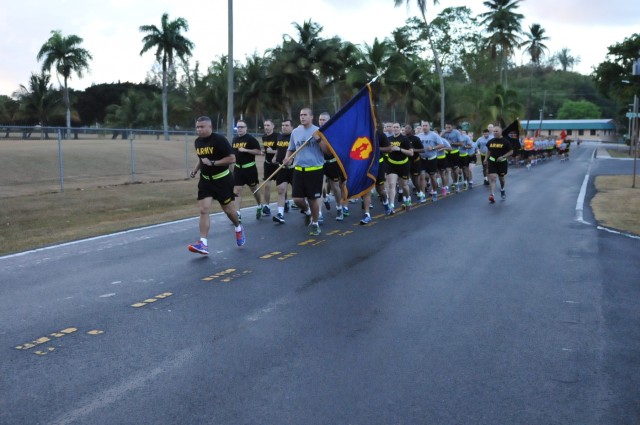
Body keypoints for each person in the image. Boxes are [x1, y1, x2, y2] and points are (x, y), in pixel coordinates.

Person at [187, 116, 245, 255]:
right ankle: (203, 243)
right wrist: (196, 169)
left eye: (201, 127)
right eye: (197, 127)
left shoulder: (219, 140)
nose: (198, 130)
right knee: (203, 209)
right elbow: (202, 159)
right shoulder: (198, 142)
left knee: (229, 211)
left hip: (222, 180)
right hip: (206, 181)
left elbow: (232, 159)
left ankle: (238, 228)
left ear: (210, 127)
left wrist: (213, 163)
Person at [283, 108, 328, 236]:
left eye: (305, 115)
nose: (302, 117)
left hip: (314, 170)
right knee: (297, 199)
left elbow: (327, 152)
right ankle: (307, 211)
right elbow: (291, 149)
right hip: (298, 169)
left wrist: (318, 139)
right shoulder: (295, 132)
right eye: (301, 115)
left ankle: (315, 223)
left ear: (311, 117)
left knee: (313, 199)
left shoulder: (319, 131)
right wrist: (287, 158)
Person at [232, 120, 263, 221]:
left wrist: (246, 150)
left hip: (250, 169)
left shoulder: (250, 139)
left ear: (246, 128)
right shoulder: (235, 139)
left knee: (254, 189)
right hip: (238, 169)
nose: (239, 129)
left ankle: (259, 205)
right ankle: (237, 214)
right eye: (238, 127)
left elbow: (259, 152)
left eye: (242, 127)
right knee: (237, 190)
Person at [360, 127, 393, 224]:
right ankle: (367, 214)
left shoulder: (380, 134)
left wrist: (376, 149)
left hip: (378, 165)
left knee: (380, 189)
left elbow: (389, 148)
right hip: (366, 166)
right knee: (367, 190)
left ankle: (386, 203)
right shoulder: (360, 133)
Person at [318, 112, 346, 221]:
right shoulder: (316, 132)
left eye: (324, 120)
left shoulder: (334, 132)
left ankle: (339, 208)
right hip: (320, 163)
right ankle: (319, 213)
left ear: (329, 121)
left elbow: (331, 152)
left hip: (332, 163)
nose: (321, 121)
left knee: (335, 187)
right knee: (319, 187)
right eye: (320, 119)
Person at [386, 122, 414, 212]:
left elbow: (411, 153)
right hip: (392, 164)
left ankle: (408, 200)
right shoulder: (388, 139)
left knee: (404, 185)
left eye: (397, 127)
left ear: (400, 128)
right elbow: (385, 150)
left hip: (403, 164)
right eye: (394, 127)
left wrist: (400, 149)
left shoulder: (405, 139)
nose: (395, 129)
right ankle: (391, 205)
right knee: (391, 185)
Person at [271, 119, 294, 224]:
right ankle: (280, 214)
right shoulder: (279, 136)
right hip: (281, 168)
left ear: (292, 127)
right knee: (280, 190)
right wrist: (275, 156)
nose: (284, 127)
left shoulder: (295, 136)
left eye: (286, 125)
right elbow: (279, 149)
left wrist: (292, 160)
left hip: (294, 169)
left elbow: (299, 150)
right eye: (282, 125)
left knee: (300, 193)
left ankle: (308, 209)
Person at [484, 125, 513, 203]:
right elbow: (489, 151)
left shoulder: (505, 141)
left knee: (502, 179)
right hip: (492, 161)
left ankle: (502, 189)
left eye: (497, 131)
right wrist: (486, 158)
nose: (495, 132)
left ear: (501, 132)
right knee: (492, 177)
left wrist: (503, 156)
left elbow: (511, 151)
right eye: (494, 131)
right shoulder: (491, 141)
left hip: (502, 162)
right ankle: (492, 195)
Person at [417, 120, 441, 202]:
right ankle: (422, 195)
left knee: (432, 177)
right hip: (422, 159)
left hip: (432, 159)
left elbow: (441, 145)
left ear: (429, 126)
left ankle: (434, 192)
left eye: (426, 125)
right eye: (423, 126)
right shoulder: (419, 136)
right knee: (421, 176)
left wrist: (433, 148)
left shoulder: (434, 135)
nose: (424, 127)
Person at [260, 119, 278, 217]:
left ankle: (286, 202)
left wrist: (274, 153)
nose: (266, 127)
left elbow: (282, 150)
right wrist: (264, 152)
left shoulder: (277, 136)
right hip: (267, 164)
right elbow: (267, 150)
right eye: (265, 125)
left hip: (277, 164)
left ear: (273, 126)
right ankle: (267, 206)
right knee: (266, 186)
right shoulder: (264, 137)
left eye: (268, 125)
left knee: (280, 186)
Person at [405, 124, 427, 203]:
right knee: (405, 181)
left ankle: (420, 194)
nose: (406, 129)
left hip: (415, 162)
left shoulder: (416, 139)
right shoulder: (403, 138)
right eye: (405, 128)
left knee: (415, 181)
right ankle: (407, 199)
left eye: (408, 128)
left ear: (412, 130)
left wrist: (413, 150)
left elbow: (422, 150)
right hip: (405, 162)